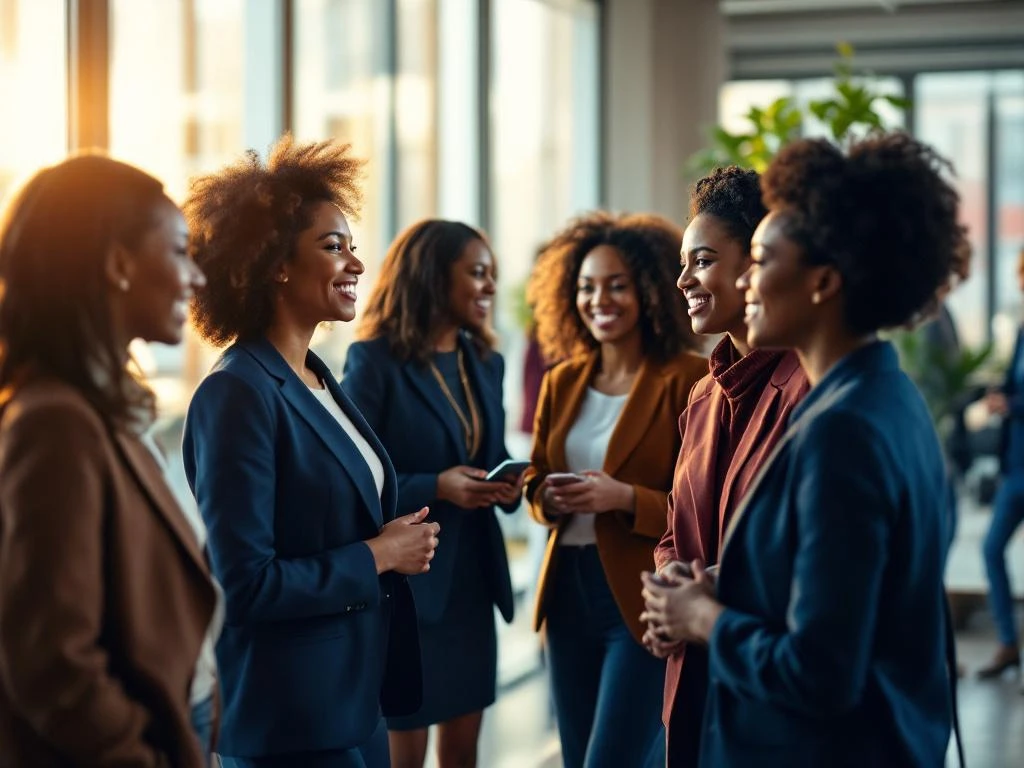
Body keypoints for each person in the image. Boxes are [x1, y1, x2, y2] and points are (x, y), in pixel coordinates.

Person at [641, 133, 970, 767]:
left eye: (761, 260)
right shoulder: (889, 395)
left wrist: (703, 616)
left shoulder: (841, 430)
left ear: (822, 281)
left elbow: (820, 670)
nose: (750, 282)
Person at [181, 135, 435, 767]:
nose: (355, 263)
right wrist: (379, 554)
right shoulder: (236, 393)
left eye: (353, 246)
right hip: (290, 720)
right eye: (333, 246)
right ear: (275, 264)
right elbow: (244, 586)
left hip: (354, 700)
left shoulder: (319, 377)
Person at [0, 154, 216, 766]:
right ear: (119, 264)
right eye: (178, 251)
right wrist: (136, 753)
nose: (195, 277)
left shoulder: (103, 409)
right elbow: (52, 661)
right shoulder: (56, 423)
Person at [523, 212, 706, 768]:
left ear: (648, 290)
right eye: (586, 287)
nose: (598, 299)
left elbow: (697, 508)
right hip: (566, 596)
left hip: (638, 591)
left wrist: (622, 498)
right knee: (578, 757)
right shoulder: (563, 380)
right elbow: (535, 476)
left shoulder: (688, 379)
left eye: (616, 285)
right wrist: (545, 498)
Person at [642, 166, 809, 767]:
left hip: (769, 698)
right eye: (685, 262)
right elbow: (673, 533)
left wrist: (704, 595)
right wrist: (667, 596)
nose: (683, 278)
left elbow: (805, 559)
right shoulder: (704, 396)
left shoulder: (808, 393)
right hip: (694, 686)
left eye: (703, 260)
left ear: (759, 263)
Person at [341, 219, 523, 768]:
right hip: (413, 588)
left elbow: (489, 454)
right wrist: (437, 486)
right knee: (406, 751)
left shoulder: (485, 363)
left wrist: (505, 485)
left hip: (472, 579)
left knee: (464, 751)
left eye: (493, 274)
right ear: (432, 277)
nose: (490, 286)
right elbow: (355, 475)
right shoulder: (374, 360)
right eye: (476, 273)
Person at [978, 246, 1024, 679]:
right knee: (992, 549)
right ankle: (1008, 643)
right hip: (1015, 466)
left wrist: (1012, 403)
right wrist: (999, 396)